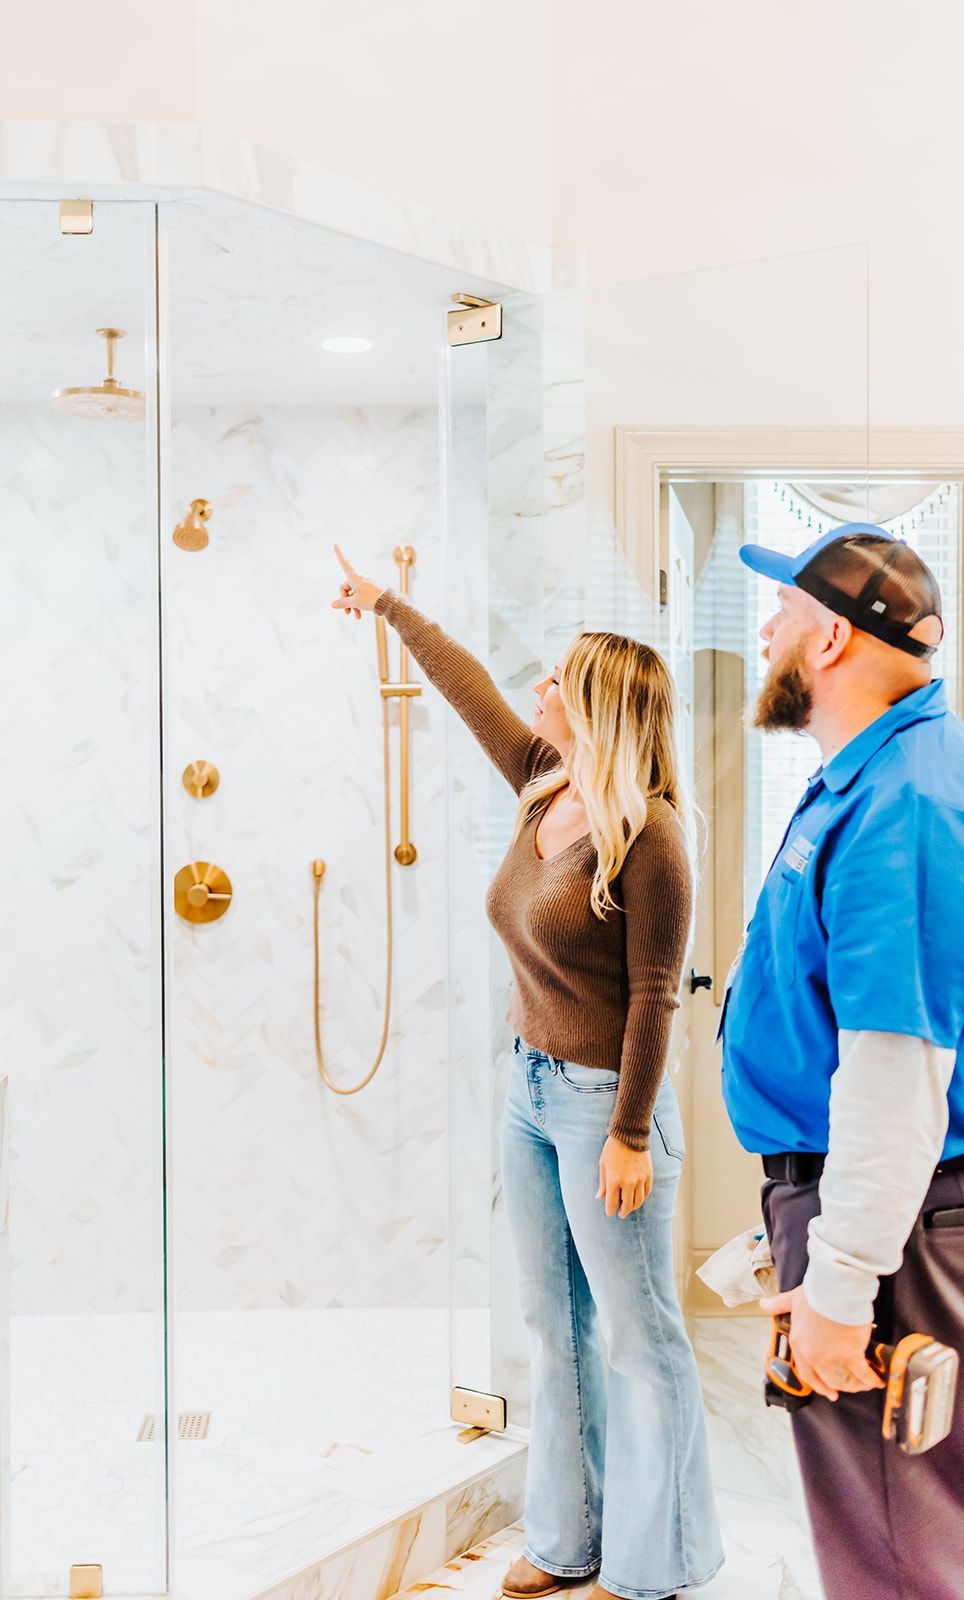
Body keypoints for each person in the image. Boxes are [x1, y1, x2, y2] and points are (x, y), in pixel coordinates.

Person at [331, 547, 723, 1600]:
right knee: (557, 1329)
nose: (538, 690)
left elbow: (653, 997)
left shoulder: (653, 841)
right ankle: (567, 1540)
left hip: (607, 1106)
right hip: (529, 1092)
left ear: (597, 707)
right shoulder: (542, 786)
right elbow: (467, 689)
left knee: (641, 1338)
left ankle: (654, 1563)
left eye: (558, 679)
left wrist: (632, 1134)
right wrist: (389, 605)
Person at [720, 522, 964, 1600]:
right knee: (890, 1530)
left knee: (894, 1552)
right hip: (863, 1207)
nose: (765, 626)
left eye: (782, 610)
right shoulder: (868, 780)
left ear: (828, 642)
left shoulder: (903, 801)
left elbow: (894, 1068)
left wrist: (845, 1277)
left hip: (890, 1224)